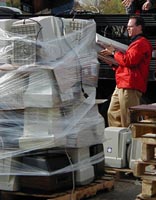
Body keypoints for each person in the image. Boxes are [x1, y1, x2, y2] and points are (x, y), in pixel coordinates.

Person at [98, 15, 153, 127]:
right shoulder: (135, 43)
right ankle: (118, 140)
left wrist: (114, 53)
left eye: (130, 26)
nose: (127, 29)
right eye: (127, 26)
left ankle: (129, 142)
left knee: (127, 118)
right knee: (112, 113)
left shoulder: (141, 43)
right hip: (122, 84)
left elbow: (129, 61)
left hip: (130, 85)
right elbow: (127, 64)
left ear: (139, 27)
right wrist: (112, 63)